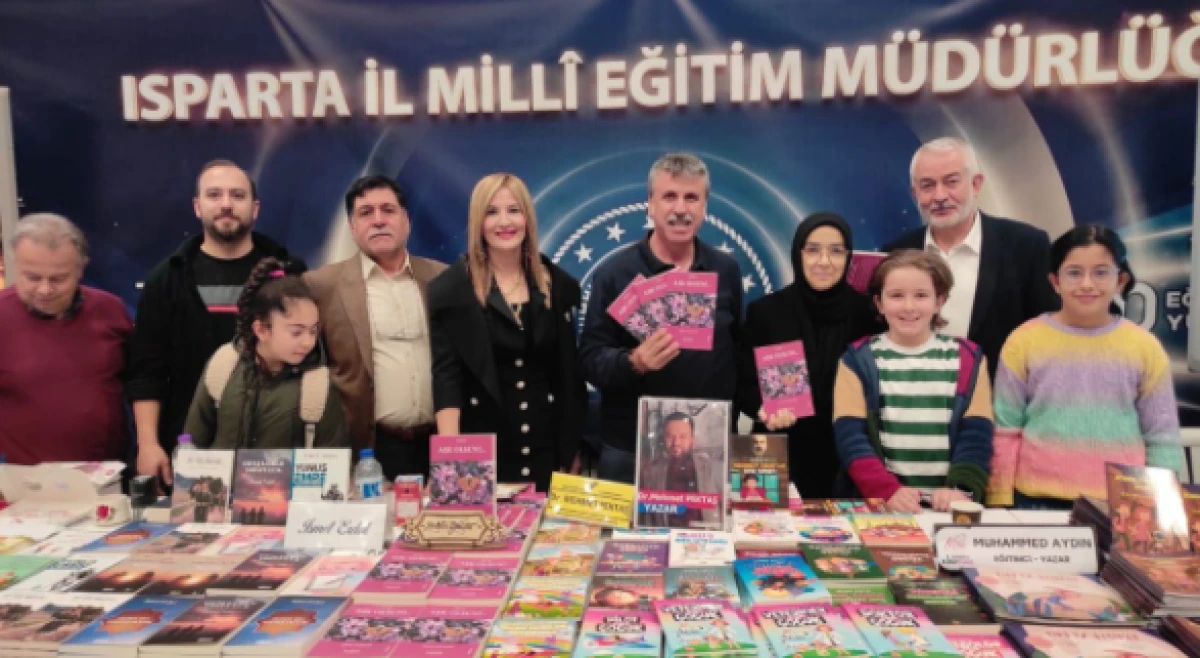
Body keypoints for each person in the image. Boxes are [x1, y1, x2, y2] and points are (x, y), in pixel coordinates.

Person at [986, 226, 1186, 509]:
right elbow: (1005, 430)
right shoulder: (1024, 341)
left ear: (1121, 280)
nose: (1087, 284)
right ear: (1055, 281)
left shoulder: (1144, 346)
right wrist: (998, 500)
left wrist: (1162, 506)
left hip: (1122, 504)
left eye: (1101, 272)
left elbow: (1161, 436)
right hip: (1035, 501)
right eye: (1074, 273)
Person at [129, 160, 301, 485]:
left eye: (237, 195)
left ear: (255, 208)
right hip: (191, 447)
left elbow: (309, 360)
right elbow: (146, 371)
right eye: (214, 195)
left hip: (273, 448)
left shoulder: (288, 272)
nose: (226, 204)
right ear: (197, 206)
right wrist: (148, 444)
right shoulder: (167, 278)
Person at [580, 153, 744, 483]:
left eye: (691, 197)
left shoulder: (726, 270)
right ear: (650, 205)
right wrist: (634, 361)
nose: (680, 209)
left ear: (705, 207)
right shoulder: (614, 274)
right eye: (669, 196)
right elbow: (589, 360)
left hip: (706, 445)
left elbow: (737, 355)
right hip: (629, 449)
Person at [428, 173, 585, 490]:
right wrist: (451, 459)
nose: (504, 222)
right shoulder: (451, 291)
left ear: (527, 217)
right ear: (478, 221)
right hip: (480, 454)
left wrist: (571, 449)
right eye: (492, 212)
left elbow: (568, 377)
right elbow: (447, 379)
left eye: (514, 210)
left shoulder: (557, 285)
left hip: (546, 449)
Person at [305, 175, 446, 478]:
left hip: (439, 444)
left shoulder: (442, 278)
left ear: (407, 221)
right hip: (367, 449)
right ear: (352, 227)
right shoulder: (322, 285)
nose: (378, 220)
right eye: (366, 213)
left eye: (388, 210)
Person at [833, 249, 994, 512]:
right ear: (879, 303)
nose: (909, 306)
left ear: (939, 300)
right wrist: (886, 490)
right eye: (896, 295)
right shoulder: (857, 360)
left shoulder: (969, 359)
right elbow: (850, 437)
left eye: (921, 295)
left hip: (948, 506)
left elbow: (977, 434)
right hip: (883, 506)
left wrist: (960, 489)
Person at [884, 137, 1058, 380]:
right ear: (915, 194)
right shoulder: (895, 254)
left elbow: (1048, 330)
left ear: (976, 184)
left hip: (1001, 396)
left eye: (951, 182)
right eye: (927, 186)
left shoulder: (1026, 245)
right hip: (913, 394)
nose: (940, 196)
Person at [738, 212, 882, 498]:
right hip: (777, 451)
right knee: (762, 525)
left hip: (847, 457)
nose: (824, 261)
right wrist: (762, 409)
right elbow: (742, 383)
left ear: (848, 257)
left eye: (836, 251)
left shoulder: (869, 315)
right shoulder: (766, 312)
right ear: (798, 254)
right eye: (813, 250)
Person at [0, 214, 132, 464]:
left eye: (58, 279)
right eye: (33, 277)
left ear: (81, 269)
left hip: (107, 473)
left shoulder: (111, 309)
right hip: (21, 479)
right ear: (15, 264)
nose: (45, 290)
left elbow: (140, 383)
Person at [183, 257, 348, 449]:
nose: (308, 342)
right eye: (296, 332)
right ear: (261, 330)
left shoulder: (317, 384)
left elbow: (333, 456)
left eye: (313, 331)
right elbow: (192, 445)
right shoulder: (223, 366)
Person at [637, 412, 724, 527]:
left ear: (692, 440)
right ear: (664, 439)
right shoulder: (650, 472)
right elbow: (646, 517)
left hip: (704, 535)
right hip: (666, 534)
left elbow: (725, 509)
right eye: (670, 436)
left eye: (682, 436)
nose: (676, 443)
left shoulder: (712, 468)